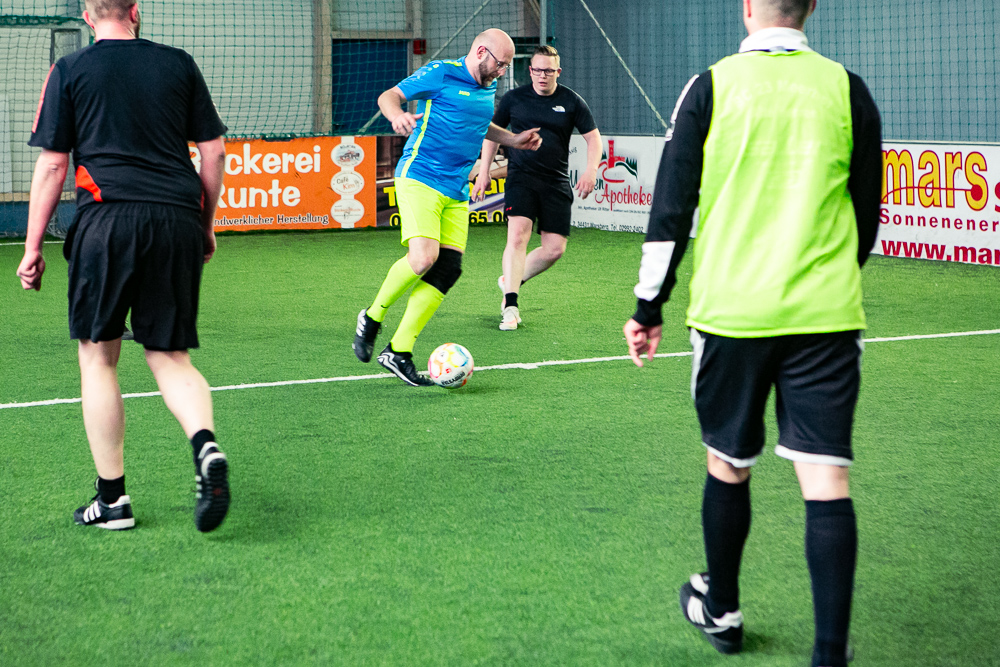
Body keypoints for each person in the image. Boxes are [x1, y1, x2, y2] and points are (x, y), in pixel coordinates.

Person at [622, 1, 881, 665]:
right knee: (826, 480)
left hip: (732, 313)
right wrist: (829, 276)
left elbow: (671, 206)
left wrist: (648, 307)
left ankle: (724, 609)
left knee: (727, 463)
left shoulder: (710, 86)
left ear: (746, 9)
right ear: (811, 8)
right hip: (825, 313)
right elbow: (867, 210)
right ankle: (829, 654)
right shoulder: (847, 88)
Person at [17, 0, 231, 532]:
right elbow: (214, 153)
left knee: (99, 358)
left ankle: (112, 501)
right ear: (136, 10)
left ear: (89, 17)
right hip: (176, 219)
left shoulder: (69, 70)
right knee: (170, 355)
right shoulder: (178, 62)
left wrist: (32, 246)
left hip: (108, 222)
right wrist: (203, 225)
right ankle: (205, 447)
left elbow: (52, 165)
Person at [353, 29, 542, 385]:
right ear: (481, 51)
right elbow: (388, 95)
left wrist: (512, 139)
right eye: (500, 64)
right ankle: (372, 317)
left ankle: (399, 350)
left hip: (455, 191)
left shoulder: (486, 86)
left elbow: (477, 123)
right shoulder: (440, 72)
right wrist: (396, 115)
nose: (502, 72)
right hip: (420, 177)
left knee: (447, 269)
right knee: (424, 257)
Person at [472, 45, 602, 330]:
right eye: (538, 70)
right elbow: (491, 135)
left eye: (549, 70)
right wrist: (484, 172)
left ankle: (510, 280)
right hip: (521, 179)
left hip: (555, 181)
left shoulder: (572, 101)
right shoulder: (513, 99)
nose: (543, 75)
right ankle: (511, 304)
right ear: (530, 70)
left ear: (558, 71)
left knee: (554, 249)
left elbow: (594, 139)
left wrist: (591, 170)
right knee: (518, 237)